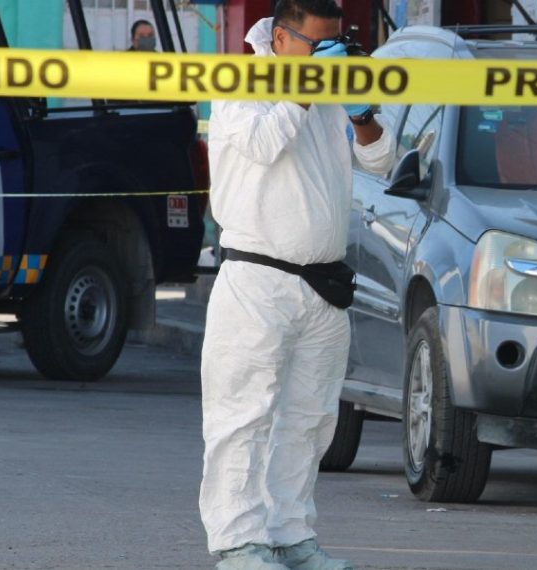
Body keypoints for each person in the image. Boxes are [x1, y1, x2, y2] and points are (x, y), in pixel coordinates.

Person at [198, 1, 397, 568]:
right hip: (257, 280)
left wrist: (361, 113)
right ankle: (238, 542)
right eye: (318, 45)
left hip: (322, 285)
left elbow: (381, 160)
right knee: (242, 417)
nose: (329, 54)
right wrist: (309, 87)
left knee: (309, 422)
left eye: (337, 43)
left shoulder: (329, 83)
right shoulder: (242, 81)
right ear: (282, 39)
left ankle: (290, 536)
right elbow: (263, 145)